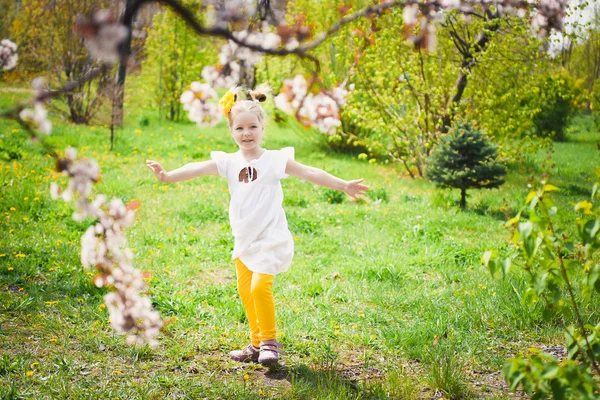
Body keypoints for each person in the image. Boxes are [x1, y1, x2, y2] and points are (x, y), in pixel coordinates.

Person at [146, 84, 369, 365]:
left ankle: (270, 343)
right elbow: (196, 167)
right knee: (245, 291)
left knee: (259, 287)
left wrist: (343, 185)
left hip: (270, 236)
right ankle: (255, 344)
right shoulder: (228, 162)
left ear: (262, 127)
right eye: (239, 129)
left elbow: (310, 172)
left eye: (252, 126)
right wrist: (167, 176)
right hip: (244, 237)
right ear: (231, 131)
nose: (246, 133)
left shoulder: (275, 160)